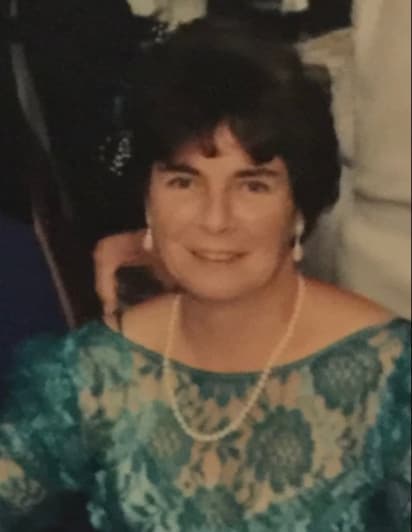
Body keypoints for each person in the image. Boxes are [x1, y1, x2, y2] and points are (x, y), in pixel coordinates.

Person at [0, 17, 410, 532]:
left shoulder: (393, 382)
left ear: (299, 209)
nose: (216, 219)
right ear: (147, 199)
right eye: (183, 181)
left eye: (253, 185)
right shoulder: (91, 374)